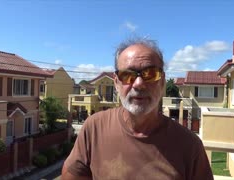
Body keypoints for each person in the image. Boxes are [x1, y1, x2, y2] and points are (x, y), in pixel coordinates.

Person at [61, 37, 214, 180]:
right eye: (128, 75)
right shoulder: (94, 128)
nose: (139, 83)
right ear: (116, 83)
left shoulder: (190, 146)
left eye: (151, 74)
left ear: (162, 82)